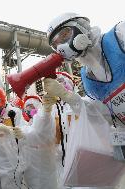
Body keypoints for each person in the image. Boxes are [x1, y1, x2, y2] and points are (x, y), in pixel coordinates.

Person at [45, 12, 125, 188]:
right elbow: (101, 114)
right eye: (55, 44)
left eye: (64, 36)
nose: (61, 46)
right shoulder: (88, 79)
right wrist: (68, 97)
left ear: (81, 26)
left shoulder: (119, 36)